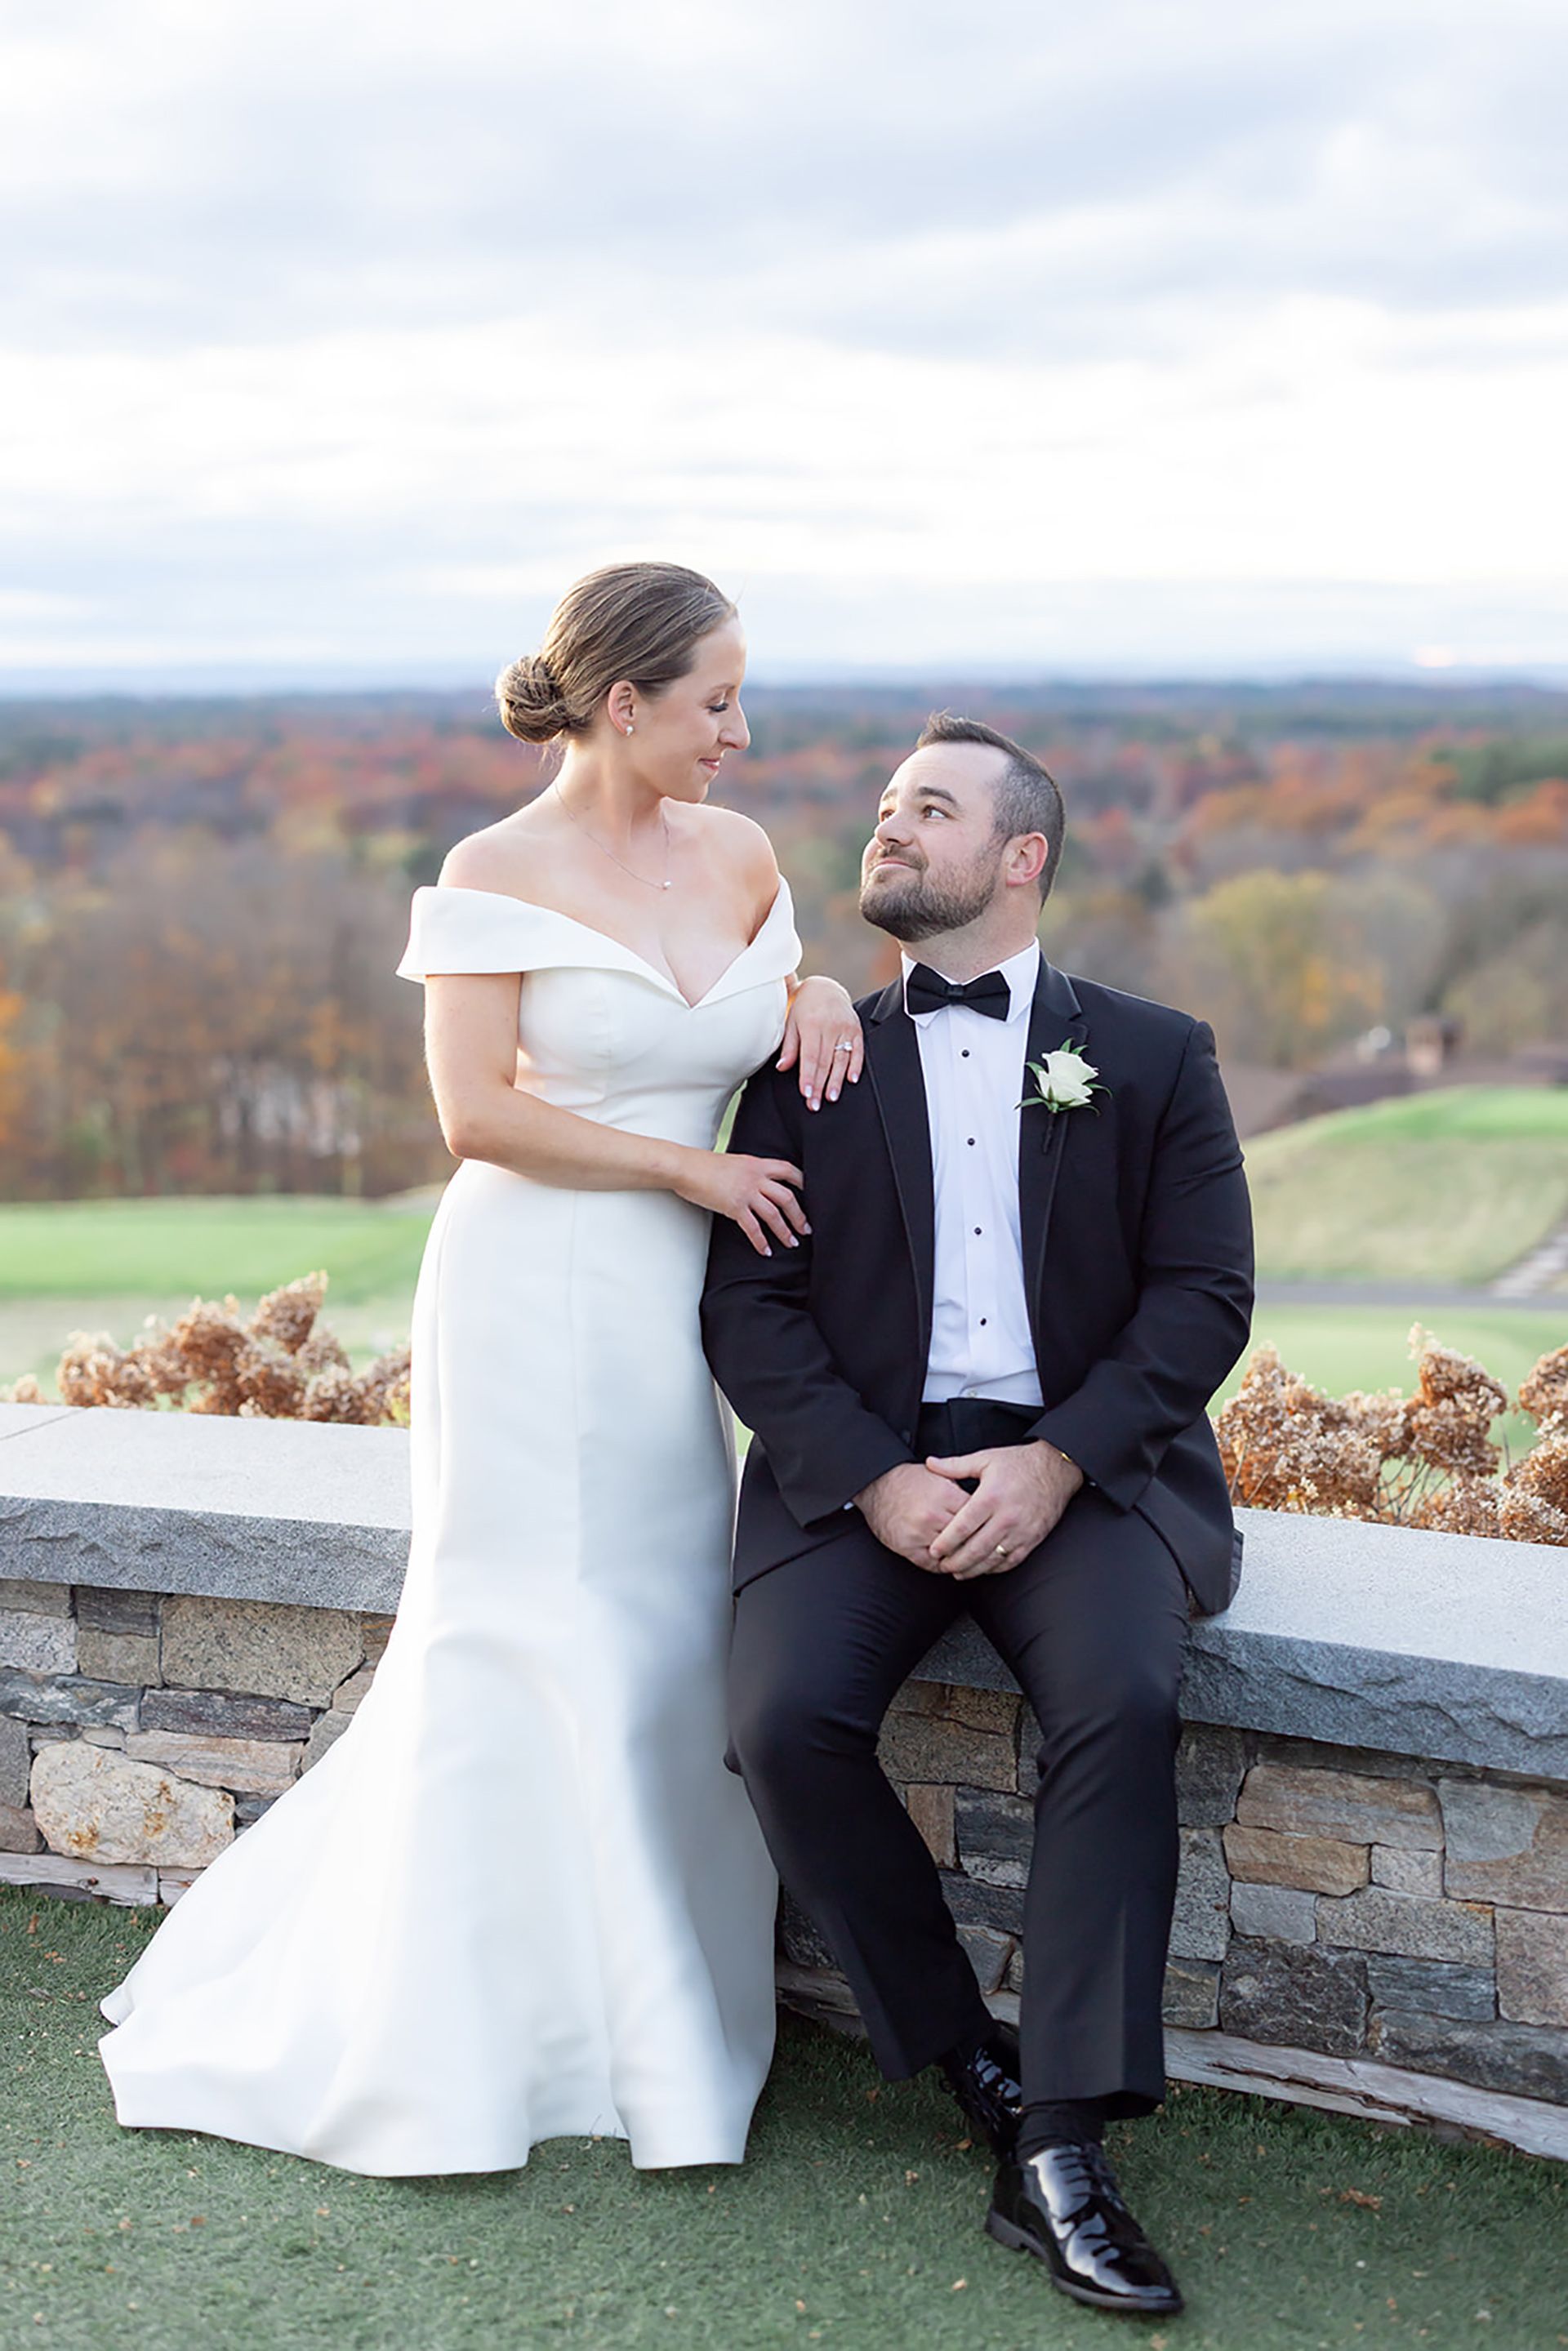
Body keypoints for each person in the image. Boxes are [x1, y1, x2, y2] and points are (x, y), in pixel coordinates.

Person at [99, 561, 863, 2176]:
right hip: (534, 1280)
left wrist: (818, 993)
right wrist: (689, 1174)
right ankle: (470, 2019)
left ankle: (658, 2002)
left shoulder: (741, 853)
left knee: (658, 1625)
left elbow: (763, 994)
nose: (742, 730)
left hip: (683, 1307)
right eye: (717, 699)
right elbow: (474, 1114)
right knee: (524, 1621)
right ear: (625, 702)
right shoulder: (490, 866)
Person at [702, 713, 1254, 2318]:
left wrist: (1062, 1461)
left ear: (1022, 857)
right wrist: (871, 1475)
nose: (889, 829)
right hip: (865, 1462)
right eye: (883, 807)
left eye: (928, 810)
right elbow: (754, 1310)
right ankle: (972, 2065)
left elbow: (1204, 1294)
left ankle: (1072, 2144)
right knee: (779, 1717)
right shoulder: (812, 1061)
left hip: (1084, 1470)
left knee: (1123, 1699)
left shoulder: (1152, 1053)